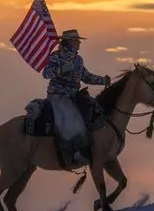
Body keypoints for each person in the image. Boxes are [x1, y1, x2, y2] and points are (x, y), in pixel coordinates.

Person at [42, 28, 110, 166]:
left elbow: (85, 76)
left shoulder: (78, 60)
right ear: (69, 42)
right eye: (76, 41)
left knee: (94, 111)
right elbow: (46, 73)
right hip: (58, 95)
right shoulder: (56, 56)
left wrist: (102, 80)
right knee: (73, 119)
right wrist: (61, 70)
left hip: (74, 95)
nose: (79, 44)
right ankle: (74, 152)